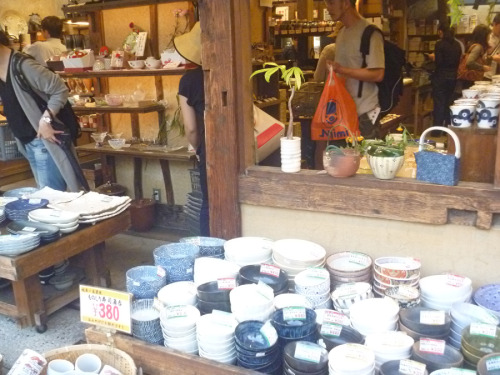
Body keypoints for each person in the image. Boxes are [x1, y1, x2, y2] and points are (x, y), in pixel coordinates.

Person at [0, 30, 83, 192]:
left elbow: (60, 89)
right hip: (28, 141)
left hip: (43, 140)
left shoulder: (23, 65)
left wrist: (45, 120)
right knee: (47, 196)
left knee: (49, 199)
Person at [323, 0, 385, 139]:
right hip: (343, 111)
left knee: (367, 158)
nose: (328, 8)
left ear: (346, 4)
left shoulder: (370, 33)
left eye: (331, 3)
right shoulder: (342, 33)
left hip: (366, 111)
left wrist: (341, 69)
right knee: (344, 158)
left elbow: (378, 74)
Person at [173, 22, 209, 236]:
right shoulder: (230, 72)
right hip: (240, 147)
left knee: (208, 203)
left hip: (209, 148)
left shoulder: (188, 81)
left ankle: (209, 253)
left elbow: (192, 129)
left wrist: (198, 149)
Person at [431, 22, 462, 128]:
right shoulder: (457, 44)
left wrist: (433, 58)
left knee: (439, 103)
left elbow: (438, 62)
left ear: (440, 31)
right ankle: (448, 127)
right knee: (449, 102)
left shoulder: (439, 44)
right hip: (453, 76)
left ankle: (437, 130)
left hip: (441, 76)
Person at [460, 24, 491, 88]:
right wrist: (482, 67)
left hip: (466, 79)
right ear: (483, 36)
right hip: (471, 79)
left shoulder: (471, 44)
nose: (489, 37)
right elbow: (469, 62)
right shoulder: (478, 47)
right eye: (488, 35)